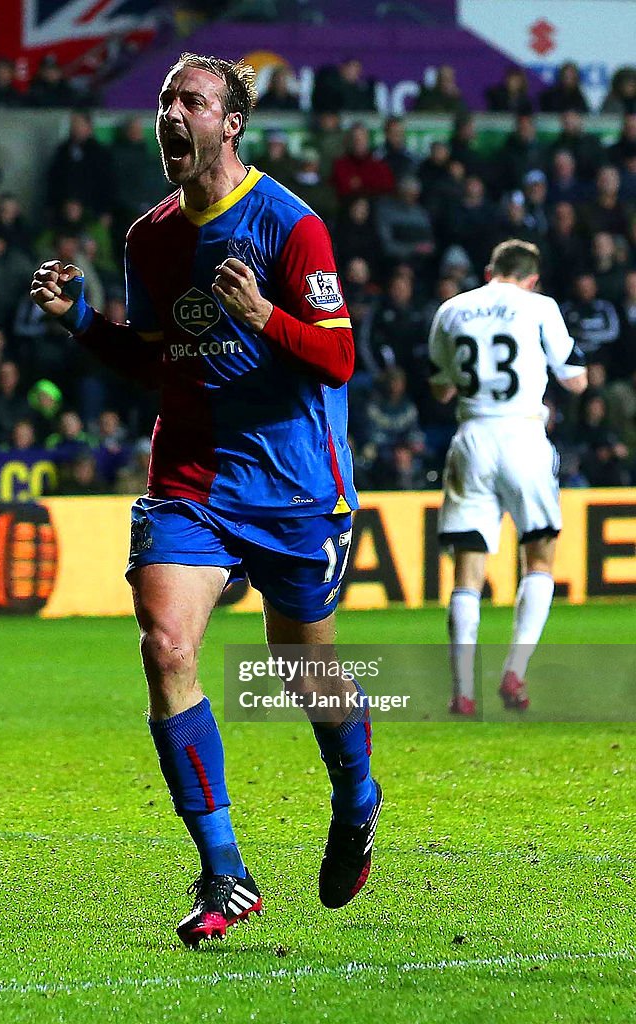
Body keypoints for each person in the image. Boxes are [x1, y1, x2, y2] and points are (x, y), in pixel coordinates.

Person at [30, 51, 381, 947]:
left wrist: (265, 317)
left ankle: (356, 795)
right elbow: (157, 358)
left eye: (192, 100)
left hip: (295, 482)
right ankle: (224, 871)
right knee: (166, 642)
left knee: (305, 674)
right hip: (191, 477)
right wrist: (79, 323)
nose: (171, 113)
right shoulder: (148, 237)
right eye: (164, 100)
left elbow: (338, 357)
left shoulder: (291, 226)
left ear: (231, 122)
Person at [428, 240, 587, 716]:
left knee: (467, 569)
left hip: (473, 436)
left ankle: (462, 691)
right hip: (523, 435)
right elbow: (575, 377)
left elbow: (440, 388)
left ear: (488, 270)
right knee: (539, 554)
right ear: (532, 278)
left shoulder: (452, 310)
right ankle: (514, 672)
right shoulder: (540, 307)